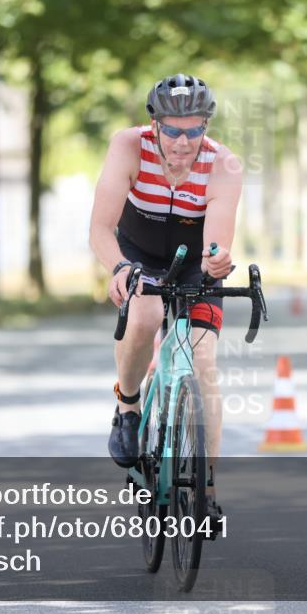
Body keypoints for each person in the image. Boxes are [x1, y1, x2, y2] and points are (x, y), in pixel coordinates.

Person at [88, 74, 243, 523]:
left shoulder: (223, 165)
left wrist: (217, 262)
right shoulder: (127, 146)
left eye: (195, 130)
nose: (183, 141)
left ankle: (206, 490)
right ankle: (128, 406)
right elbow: (100, 227)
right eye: (173, 130)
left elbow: (215, 244)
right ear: (154, 125)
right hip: (136, 253)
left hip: (193, 259)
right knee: (145, 314)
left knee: (205, 363)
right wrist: (118, 267)